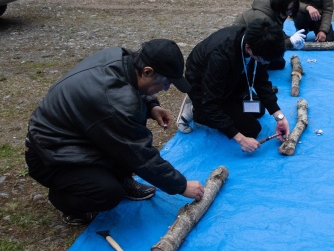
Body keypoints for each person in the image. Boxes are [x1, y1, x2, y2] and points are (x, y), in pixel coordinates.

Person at [25, 39, 206, 225]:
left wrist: (151, 105)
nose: (166, 89)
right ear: (147, 71)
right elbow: (141, 155)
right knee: (108, 193)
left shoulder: (122, 58)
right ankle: (65, 199)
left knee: (130, 128)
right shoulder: (114, 103)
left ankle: (121, 179)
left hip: (75, 135)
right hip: (49, 155)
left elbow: (130, 91)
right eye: (166, 83)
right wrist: (182, 186)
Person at [180, 18, 291, 153]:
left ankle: (228, 102)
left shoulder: (260, 46)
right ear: (248, 48)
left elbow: (261, 81)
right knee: (251, 130)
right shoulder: (221, 56)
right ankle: (196, 110)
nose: (264, 63)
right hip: (203, 86)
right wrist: (239, 138)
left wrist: (279, 116)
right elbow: (211, 102)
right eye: (263, 60)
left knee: (259, 110)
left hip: (231, 78)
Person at [234, 0, 305, 70]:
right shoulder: (263, 18)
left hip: (256, 41)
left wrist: (293, 40)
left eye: (291, 10)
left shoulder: (276, 11)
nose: (289, 14)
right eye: (288, 10)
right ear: (280, 5)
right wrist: (290, 42)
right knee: (275, 61)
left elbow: (277, 32)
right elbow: (268, 45)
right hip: (241, 47)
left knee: (278, 62)